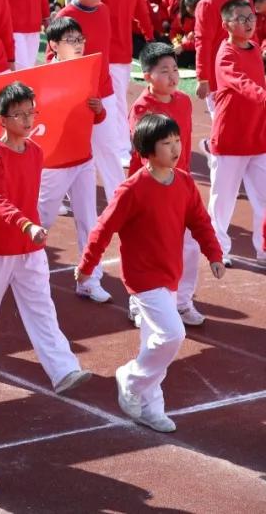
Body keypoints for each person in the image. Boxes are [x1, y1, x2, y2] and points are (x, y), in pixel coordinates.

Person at [77, 114, 224, 432]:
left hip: (170, 274)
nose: (175, 148)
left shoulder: (184, 182)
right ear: (147, 149)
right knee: (173, 334)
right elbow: (103, 229)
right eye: (166, 143)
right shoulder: (132, 189)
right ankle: (130, 378)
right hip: (143, 278)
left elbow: (200, 221)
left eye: (177, 141)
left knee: (154, 343)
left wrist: (214, 254)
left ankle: (151, 407)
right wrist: (87, 267)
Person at [0, 82, 92, 393]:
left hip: (30, 246)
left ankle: (63, 368)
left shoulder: (36, 152)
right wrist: (26, 224)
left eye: (30, 113)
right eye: (19, 115)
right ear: (2, 119)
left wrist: (30, 228)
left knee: (42, 307)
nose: (27, 120)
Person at [36, 17, 111, 303]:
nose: (78, 45)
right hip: (53, 164)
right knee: (41, 221)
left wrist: (99, 108)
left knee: (89, 221)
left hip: (83, 158)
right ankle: (20, 271)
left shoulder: (88, 69)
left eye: (80, 40)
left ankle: (89, 279)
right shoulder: (43, 76)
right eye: (71, 40)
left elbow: (98, 118)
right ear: (54, 45)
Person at [128, 43, 203, 325]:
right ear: (147, 75)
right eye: (164, 71)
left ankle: (182, 302)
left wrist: (182, 177)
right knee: (148, 249)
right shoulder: (142, 108)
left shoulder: (183, 101)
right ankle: (138, 303)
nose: (172, 76)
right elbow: (143, 151)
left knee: (190, 245)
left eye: (175, 69)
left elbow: (184, 147)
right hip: (149, 188)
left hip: (180, 185)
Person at [207, 0, 266, 265]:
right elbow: (241, 83)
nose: (248, 23)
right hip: (230, 137)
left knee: (264, 198)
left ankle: (263, 248)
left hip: (258, 136)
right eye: (241, 19)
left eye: (250, 17)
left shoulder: (253, 48)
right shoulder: (226, 54)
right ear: (226, 24)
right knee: (223, 200)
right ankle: (218, 249)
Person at [57, 0, 123, 201]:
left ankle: (120, 199)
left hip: (104, 93)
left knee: (109, 148)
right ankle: (57, 195)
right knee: (70, 151)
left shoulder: (104, 11)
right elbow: (56, 60)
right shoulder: (65, 17)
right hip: (76, 98)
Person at [102, 0, 155, 167]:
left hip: (122, 50)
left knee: (118, 99)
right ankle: (112, 145)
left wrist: (150, 37)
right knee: (106, 100)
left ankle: (121, 146)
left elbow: (141, 10)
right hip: (99, 49)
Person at [194, 0, 249, 118]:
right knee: (222, 122)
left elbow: (251, 36)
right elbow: (203, 42)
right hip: (218, 73)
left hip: (243, 71)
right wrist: (203, 78)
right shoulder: (208, 3)